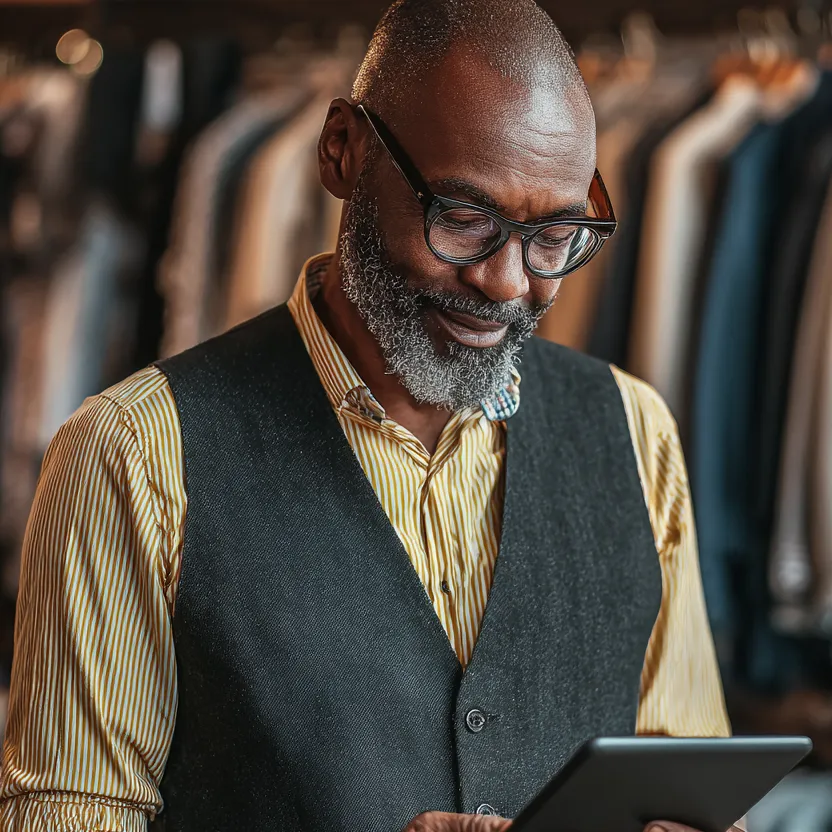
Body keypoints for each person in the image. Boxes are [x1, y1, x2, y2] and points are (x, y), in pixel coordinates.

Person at [0, 1, 740, 831]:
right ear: (343, 151)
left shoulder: (636, 436)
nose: (507, 282)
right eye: (462, 218)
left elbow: (685, 791)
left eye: (556, 234)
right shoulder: (132, 457)